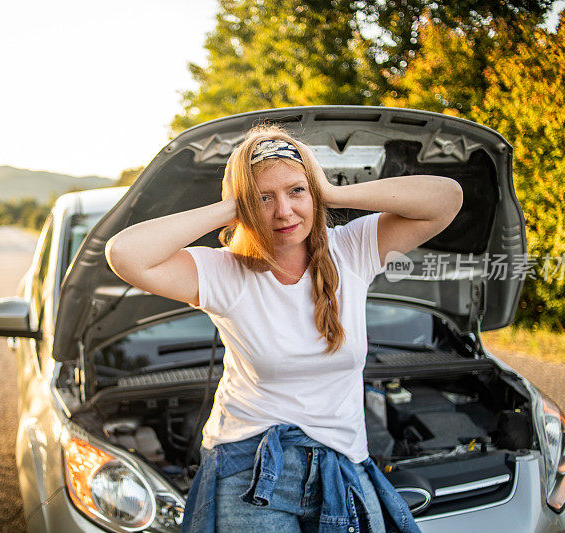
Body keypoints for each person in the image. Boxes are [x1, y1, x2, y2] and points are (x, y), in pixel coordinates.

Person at [105, 124, 463, 532]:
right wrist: (231, 204)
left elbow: (447, 199)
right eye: (263, 199)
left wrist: (331, 191)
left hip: (340, 459)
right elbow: (125, 254)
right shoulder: (225, 270)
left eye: (296, 191)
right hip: (249, 464)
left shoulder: (352, 248)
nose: (284, 212)